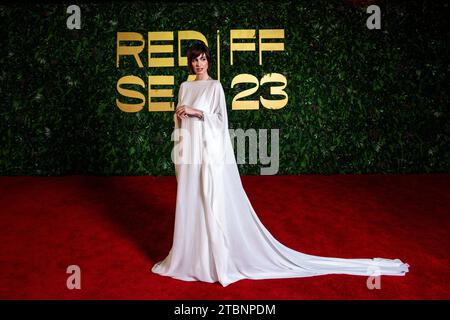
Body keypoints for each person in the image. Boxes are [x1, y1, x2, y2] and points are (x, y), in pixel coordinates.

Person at [151, 42, 409, 287]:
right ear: (190, 63)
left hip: (209, 155)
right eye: (195, 60)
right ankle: (192, 258)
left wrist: (197, 113)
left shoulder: (215, 86)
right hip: (191, 152)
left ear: (209, 61)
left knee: (210, 200)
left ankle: (213, 259)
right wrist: (181, 120)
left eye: (203, 59)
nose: (199, 64)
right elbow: (178, 122)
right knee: (193, 201)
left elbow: (221, 121)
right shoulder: (185, 87)